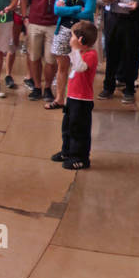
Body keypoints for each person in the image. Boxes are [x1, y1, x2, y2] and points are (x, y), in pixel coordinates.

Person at [17, 0, 62, 102]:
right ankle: (37, 86)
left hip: (53, 24)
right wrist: (25, 17)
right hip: (35, 23)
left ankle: (48, 87)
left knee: (50, 59)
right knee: (34, 57)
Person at [53, 18, 100, 170]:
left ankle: (80, 157)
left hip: (82, 100)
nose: (70, 39)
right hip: (73, 98)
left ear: (81, 40)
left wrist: (74, 50)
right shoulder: (79, 52)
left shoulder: (91, 55)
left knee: (79, 129)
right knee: (67, 126)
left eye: (73, 36)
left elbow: (80, 67)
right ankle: (67, 151)